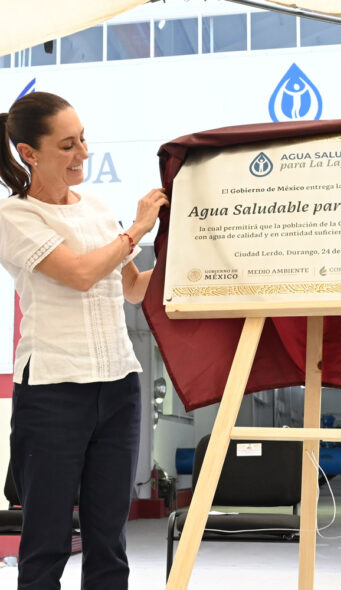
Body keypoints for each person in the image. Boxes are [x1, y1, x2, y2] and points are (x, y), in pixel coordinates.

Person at [0, 91, 168, 589]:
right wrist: (137, 228)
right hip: (53, 389)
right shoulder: (16, 217)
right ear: (30, 153)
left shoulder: (96, 207)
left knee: (109, 542)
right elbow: (78, 274)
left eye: (84, 139)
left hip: (117, 386)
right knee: (47, 542)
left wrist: (178, 248)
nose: (84, 154)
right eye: (68, 145)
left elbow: (133, 289)